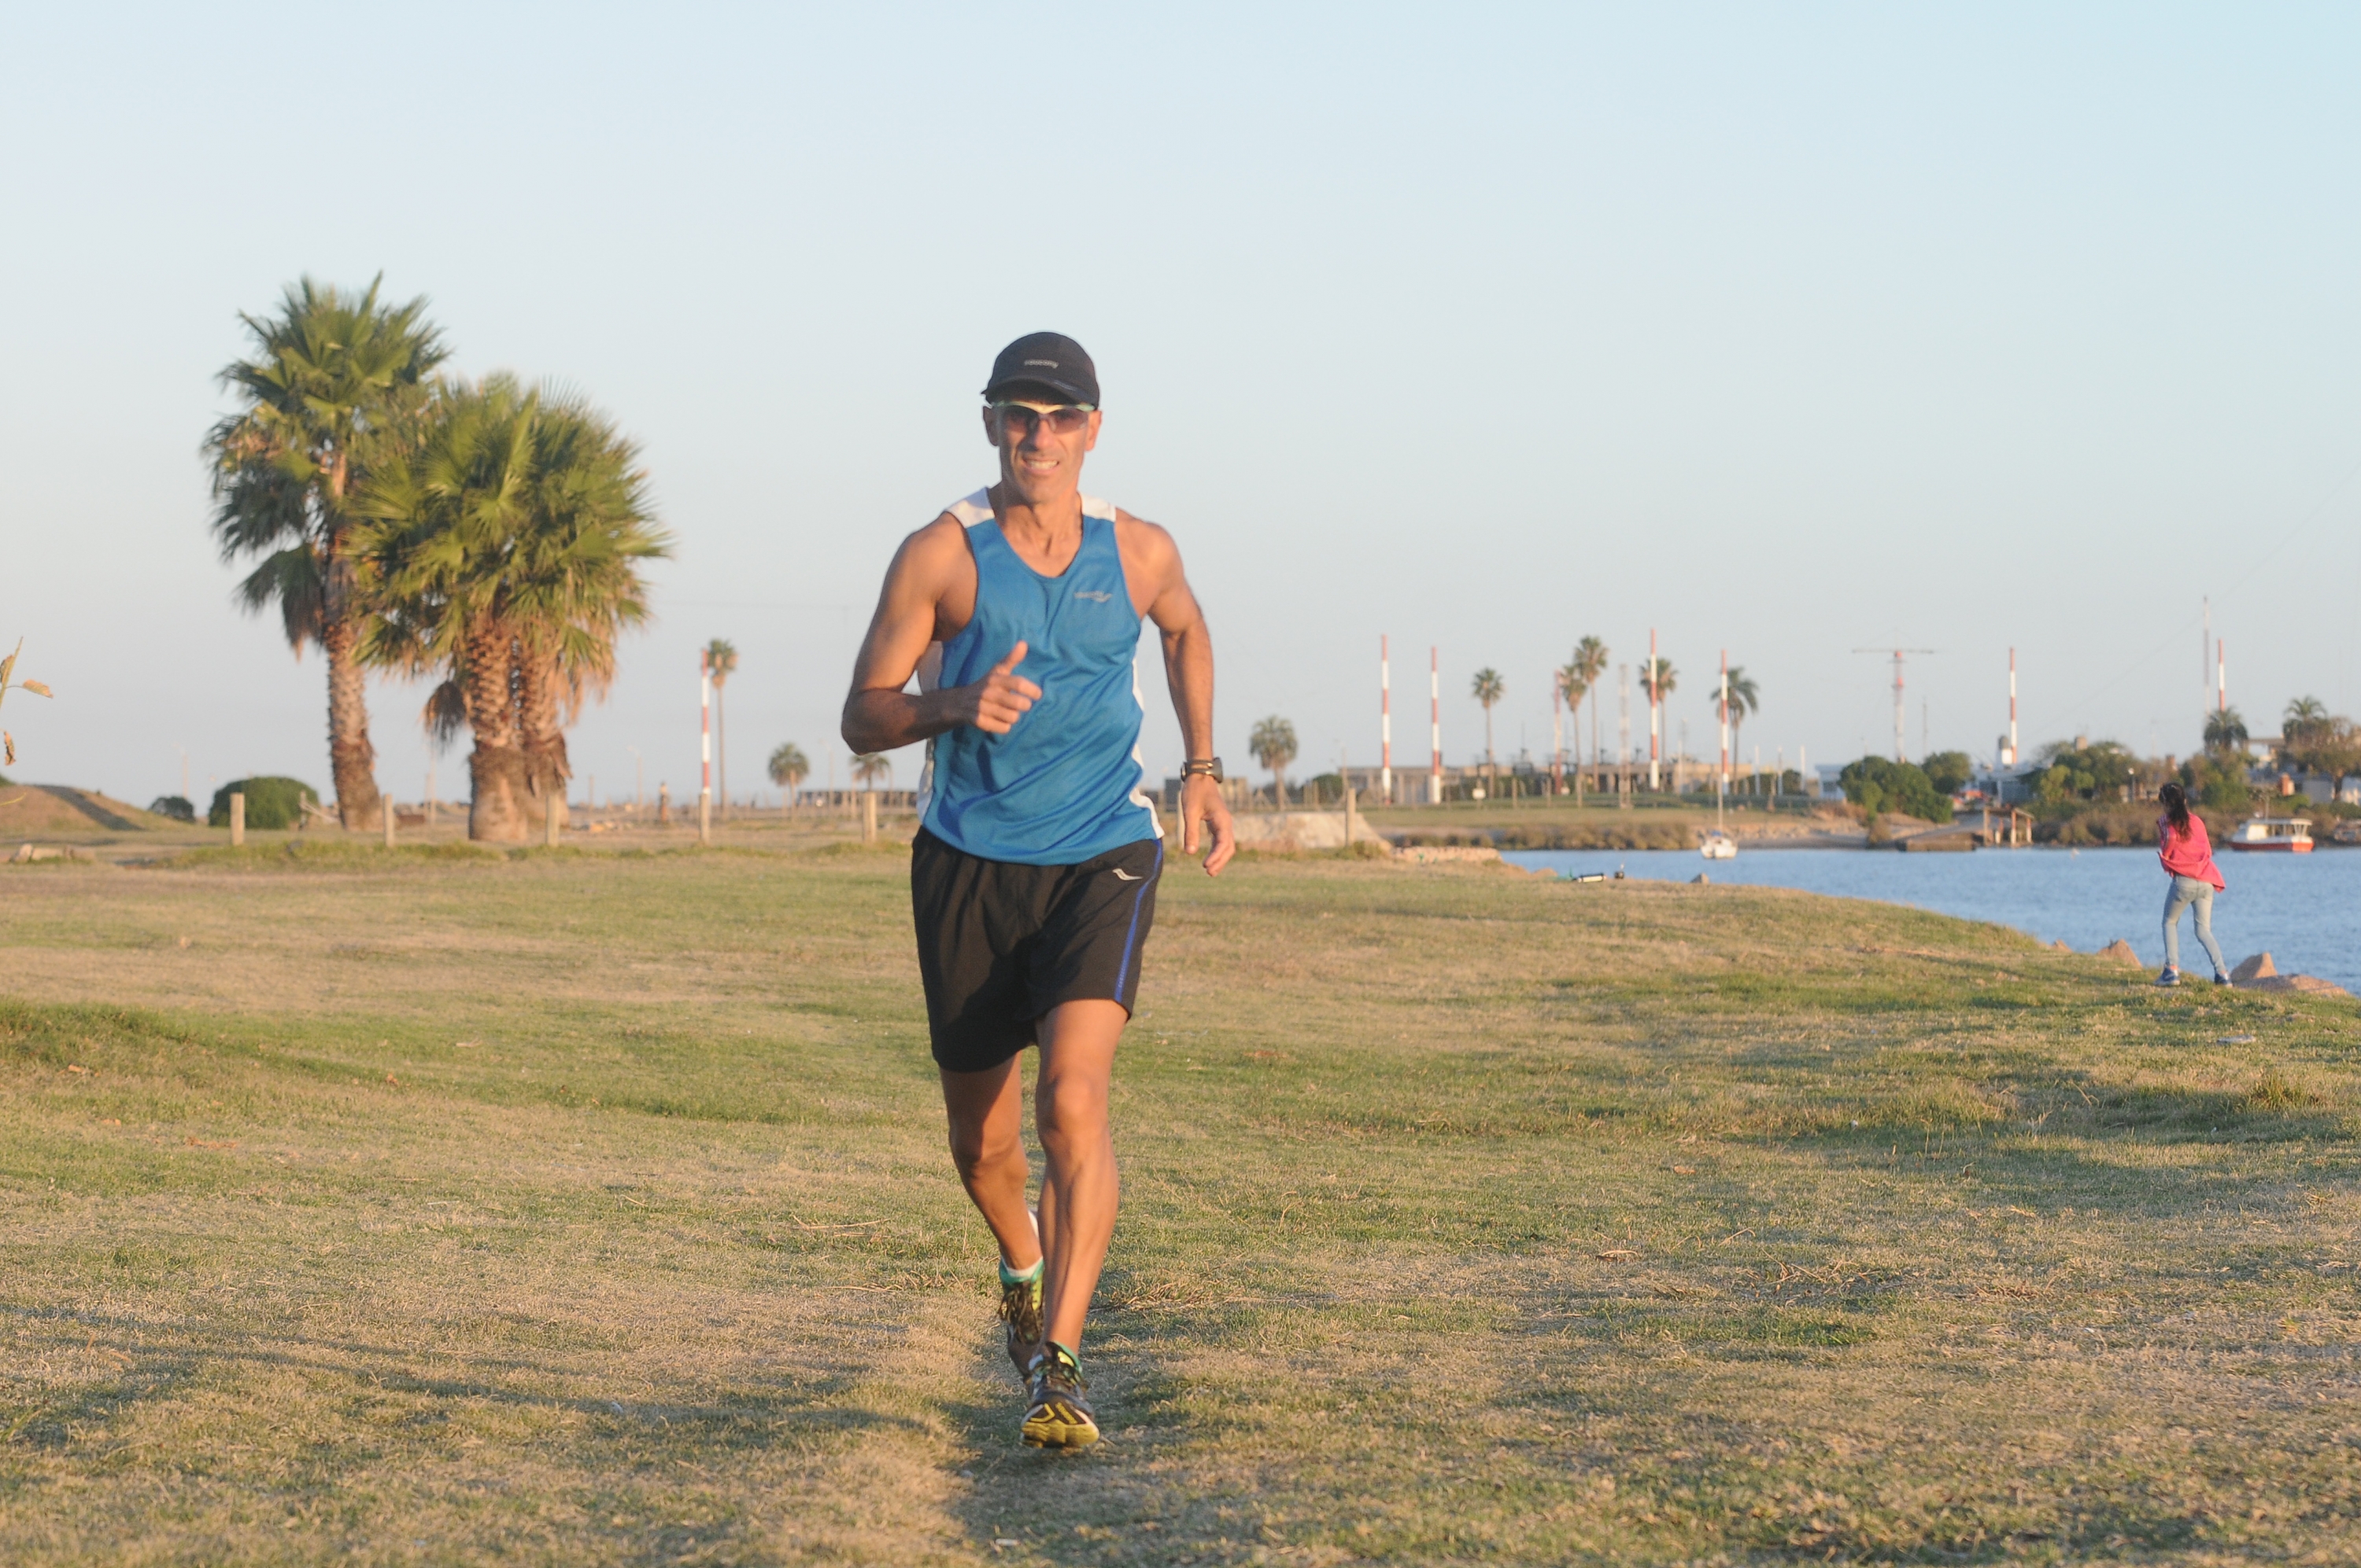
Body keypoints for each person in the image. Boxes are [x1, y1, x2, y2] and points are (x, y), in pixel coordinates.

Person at [840, 332, 1235, 1449]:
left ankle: (1056, 1361)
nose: (1039, 436)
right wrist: (950, 707)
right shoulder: (942, 555)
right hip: (967, 860)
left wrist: (1201, 770)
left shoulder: (1139, 549)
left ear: (1092, 430)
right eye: (1020, 414)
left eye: (1060, 418)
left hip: (1102, 850)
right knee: (979, 1145)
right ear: (990, 424)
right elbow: (863, 714)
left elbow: (1188, 627)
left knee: (1070, 1098)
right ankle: (1021, 1261)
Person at [2155, 780, 2227, 986]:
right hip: (2206, 880)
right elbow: (2208, 850)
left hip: (2183, 882)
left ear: (2166, 803)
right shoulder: (2198, 822)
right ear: (2185, 800)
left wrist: (2169, 861)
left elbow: (2167, 846)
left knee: (2169, 922)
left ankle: (2172, 972)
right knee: (2204, 930)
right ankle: (2223, 974)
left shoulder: (2166, 823)